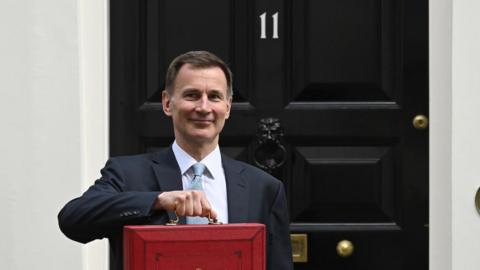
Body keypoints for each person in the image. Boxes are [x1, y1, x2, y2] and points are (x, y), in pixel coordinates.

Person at [58, 51, 293, 270]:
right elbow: (73, 219)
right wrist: (158, 200)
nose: (203, 107)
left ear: (227, 107)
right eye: (192, 95)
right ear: (167, 103)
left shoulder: (264, 188)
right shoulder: (128, 173)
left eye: (214, 97)